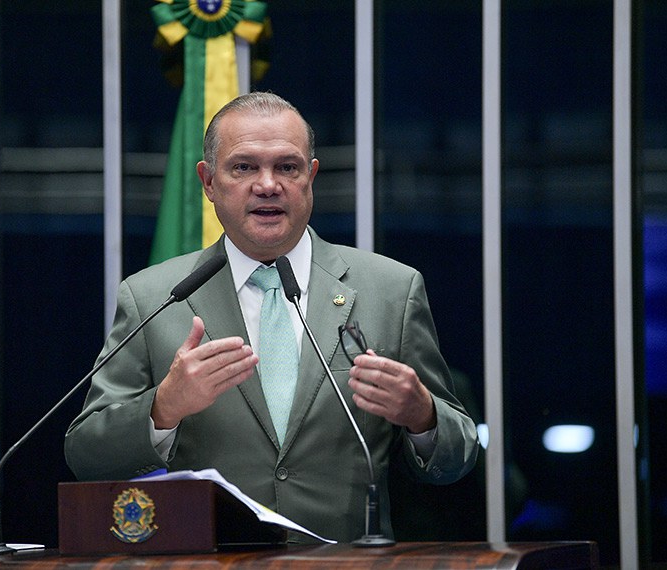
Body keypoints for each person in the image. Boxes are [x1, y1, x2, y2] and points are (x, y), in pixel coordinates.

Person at [64, 91, 478, 543]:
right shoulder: (151, 296)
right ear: (208, 182)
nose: (267, 185)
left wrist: (422, 415)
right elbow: (86, 453)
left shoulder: (391, 290)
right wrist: (163, 408)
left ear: (310, 177)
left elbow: (458, 457)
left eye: (287, 167)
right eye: (243, 167)